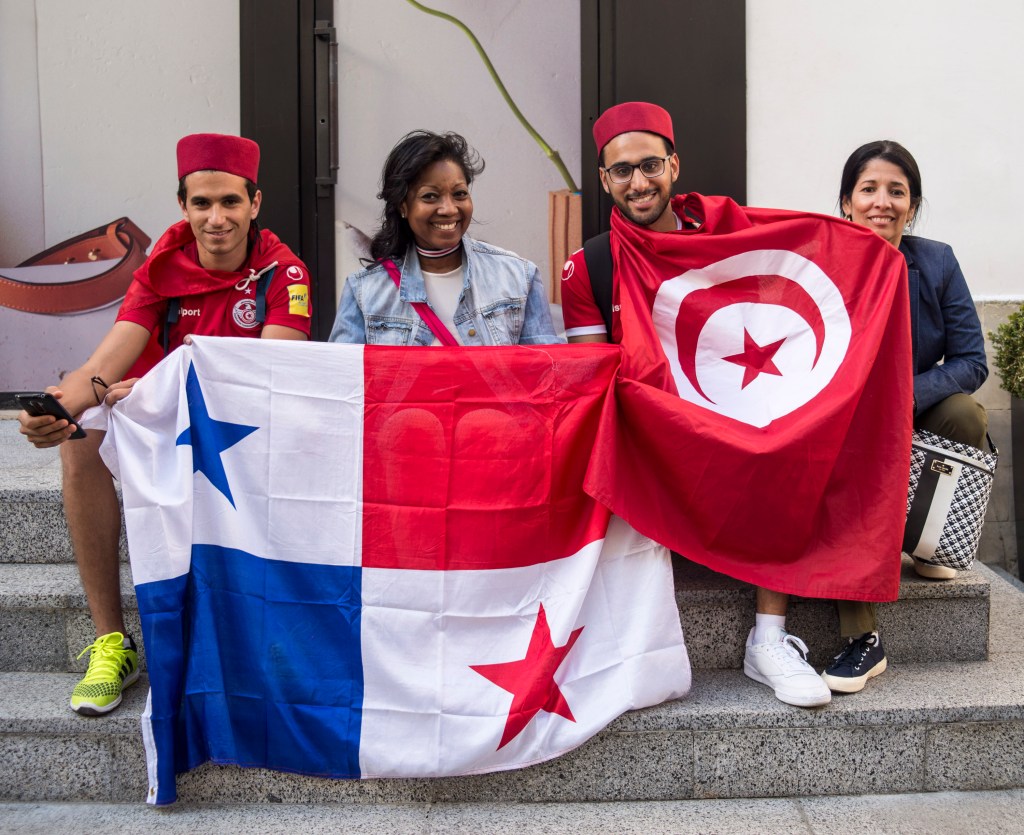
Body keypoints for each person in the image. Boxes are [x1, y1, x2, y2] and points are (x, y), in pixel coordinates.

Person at [18, 133, 312, 715]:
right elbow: (102, 368)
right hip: (164, 414)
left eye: (230, 202)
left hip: (243, 425)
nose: (216, 218)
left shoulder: (285, 272)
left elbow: (272, 374)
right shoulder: (160, 269)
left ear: (255, 203)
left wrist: (161, 388)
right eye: (202, 203)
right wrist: (55, 410)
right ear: (183, 205)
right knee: (80, 441)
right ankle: (112, 643)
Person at [560, 101, 831, 708]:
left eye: (650, 165)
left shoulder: (727, 237)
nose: (639, 182)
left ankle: (768, 640)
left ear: (674, 166)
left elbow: (790, 277)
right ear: (604, 180)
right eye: (622, 171)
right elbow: (591, 379)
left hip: (733, 411)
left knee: (781, 444)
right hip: (649, 430)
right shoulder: (589, 267)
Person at [820, 139, 988, 694]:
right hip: (844, 426)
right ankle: (862, 639)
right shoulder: (820, 261)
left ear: (912, 206)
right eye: (868, 189)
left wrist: (902, 396)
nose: (882, 202)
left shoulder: (936, 262)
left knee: (964, 414)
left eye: (897, 191)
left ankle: (930, 541)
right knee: (848, 469)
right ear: (846, 202)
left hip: (908, 412)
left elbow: (972, 361)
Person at [329, 130, 559, 346]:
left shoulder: (519, 277)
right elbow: (342, 373)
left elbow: (547, 369)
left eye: (459, 194)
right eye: (430, 196)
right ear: (403, 206)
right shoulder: (364, 291)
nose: (449, 209)